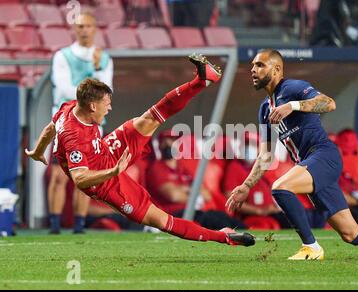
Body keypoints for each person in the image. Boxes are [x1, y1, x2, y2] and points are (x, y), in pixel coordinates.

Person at [226, 49, 358, 260]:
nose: (253, 69)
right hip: (310, 166)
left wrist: (293, 106)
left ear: (276, 70)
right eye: (253, 65)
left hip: (323, 156)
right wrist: (246, 186)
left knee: (280, 188)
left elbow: (329, 103)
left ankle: (311, 247)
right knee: (351, 233)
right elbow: (265, 155)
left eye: (260, 65)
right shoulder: (265, 109)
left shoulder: (292, 88)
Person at [26, 53, 255, 247]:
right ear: (92, 106)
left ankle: (202, 80)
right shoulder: (75, 137)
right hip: (106, 184)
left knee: (149, 118)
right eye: (106, 104)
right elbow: (80, 178)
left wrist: (38, 151)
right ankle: (223, 236)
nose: (110, 108)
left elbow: (51, 127)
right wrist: (113, 172)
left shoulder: (69, 107)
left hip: (106, 152)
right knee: (162, 221)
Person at [48, 12, 113, 234]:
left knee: (86, 175)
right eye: (80, 26)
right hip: (65, 123)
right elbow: (64, 88)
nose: (84, 30)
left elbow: (105, 93)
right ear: (74, 29)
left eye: (87, 26)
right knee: (58, 175)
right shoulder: (62, 56)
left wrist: (96, 70)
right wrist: (91, 89)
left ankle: (79, 225)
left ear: (95, 28)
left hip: (92, 124)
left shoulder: (104, 59)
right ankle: (55, 224)